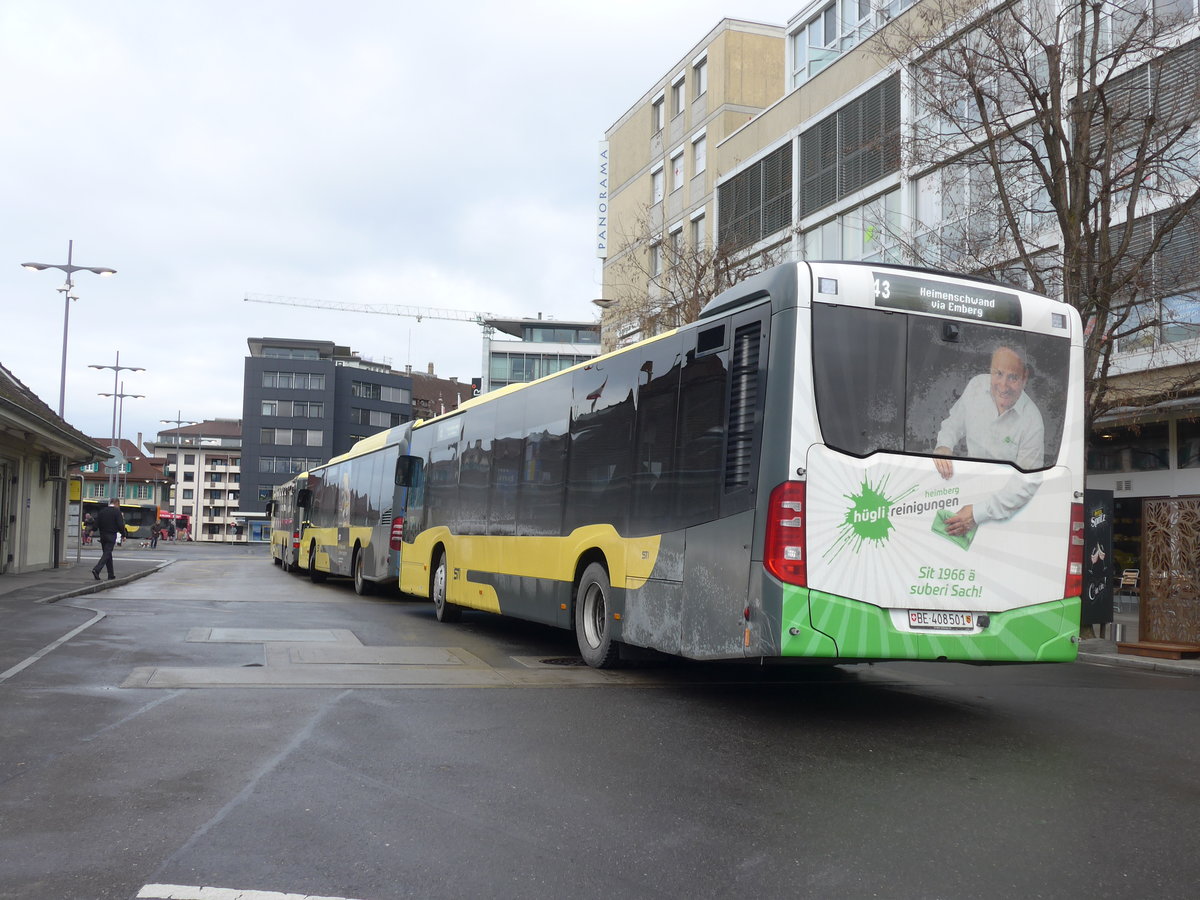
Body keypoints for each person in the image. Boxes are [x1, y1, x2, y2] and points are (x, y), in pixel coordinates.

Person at [933, 345, 1045, 537]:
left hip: (1003, 516)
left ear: (1024, 377)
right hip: (965, 495)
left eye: (1013, 377)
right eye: (998, 374)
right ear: (990, 370)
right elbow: (954, 423)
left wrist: (977, 513)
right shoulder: (977, 386)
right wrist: (944, 446)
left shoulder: (1032, 421)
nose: (1003, 385)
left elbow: (1027, 482)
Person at [91, 497, 128, 581]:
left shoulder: (102, 511)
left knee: (108, 554)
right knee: (107, 554)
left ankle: (111, 574)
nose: (119, 506)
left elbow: (96, 523)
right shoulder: (117, 512)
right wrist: (123, 535)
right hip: (111, 535)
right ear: (116, 503)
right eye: (119, 504)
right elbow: (120, 525)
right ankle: (97, 569)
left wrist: (91, 533)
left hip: (102, 535)